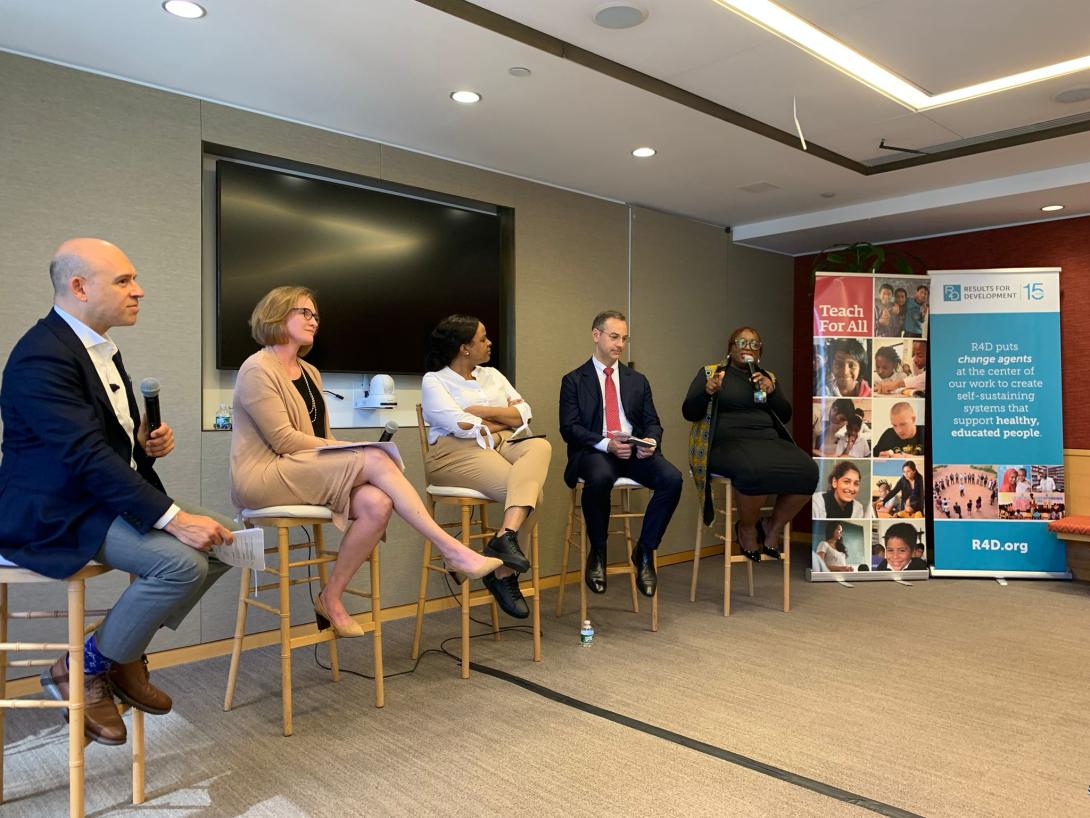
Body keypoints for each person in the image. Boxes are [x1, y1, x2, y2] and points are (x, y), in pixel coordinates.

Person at [0, 238, 235, 747]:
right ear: (79, 287)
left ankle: (114, 656)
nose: (139, 291)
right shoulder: (41, 356)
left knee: (223, 542)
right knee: (182, 563)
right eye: (124, 281)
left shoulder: (100, 348)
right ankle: (82, 669)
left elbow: (109, 445)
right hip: (55, 510)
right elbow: (83, 457)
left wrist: (146, 443)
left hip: (97, 495)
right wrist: (173, 520)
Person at [230, 289, 503, 635]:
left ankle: (331, 597)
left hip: (301, 470)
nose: (314, 320)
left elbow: (319, 438)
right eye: (305, 313)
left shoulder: (310, 372)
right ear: (276, 315)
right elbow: (284, 441)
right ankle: (451, 549)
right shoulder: (256, 369)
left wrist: (345, 453)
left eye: (316, 315)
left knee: (378, 502)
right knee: (374, 455)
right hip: (263, 476)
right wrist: (351, 452)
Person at [420, 314, 552, 618]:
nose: (489, 343)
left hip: (499, 443)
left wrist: (482, 411)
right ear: (464, 348)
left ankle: (503, 543)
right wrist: (500, 419)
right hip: (453, 452)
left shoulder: (492, 375)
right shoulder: (435, 380)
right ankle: (503, 571)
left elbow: (524, 413)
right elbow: (460, 425)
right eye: (483, 338)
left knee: (540, 445)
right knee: (533, 495)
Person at [560, 310, 682, 597]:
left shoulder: (637, 380)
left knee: (672, 479)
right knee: (600, 477)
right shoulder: (574, 380)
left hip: (634, 452)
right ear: (596, 335)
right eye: (614, 337)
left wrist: (650, 440)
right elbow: (569, 428)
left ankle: (645, 550)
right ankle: (598, 553)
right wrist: (607, 444)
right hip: (596, 451)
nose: (619, 344)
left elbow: (653, 421)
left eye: (624, 339)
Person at [684, 326, 817, 559]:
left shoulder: (766, 377)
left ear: (759, 352)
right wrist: (707, 392)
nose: (748, 348)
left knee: (809, 471)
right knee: (753, 470)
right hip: (727, 444)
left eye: (754, 344)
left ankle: (771, 527)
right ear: (731, 348)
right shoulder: (711, 373)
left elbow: (785, 415)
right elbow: (689, 412)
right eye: (742, 342)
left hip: (768, 441)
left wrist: (772, 391)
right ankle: (746, 528)